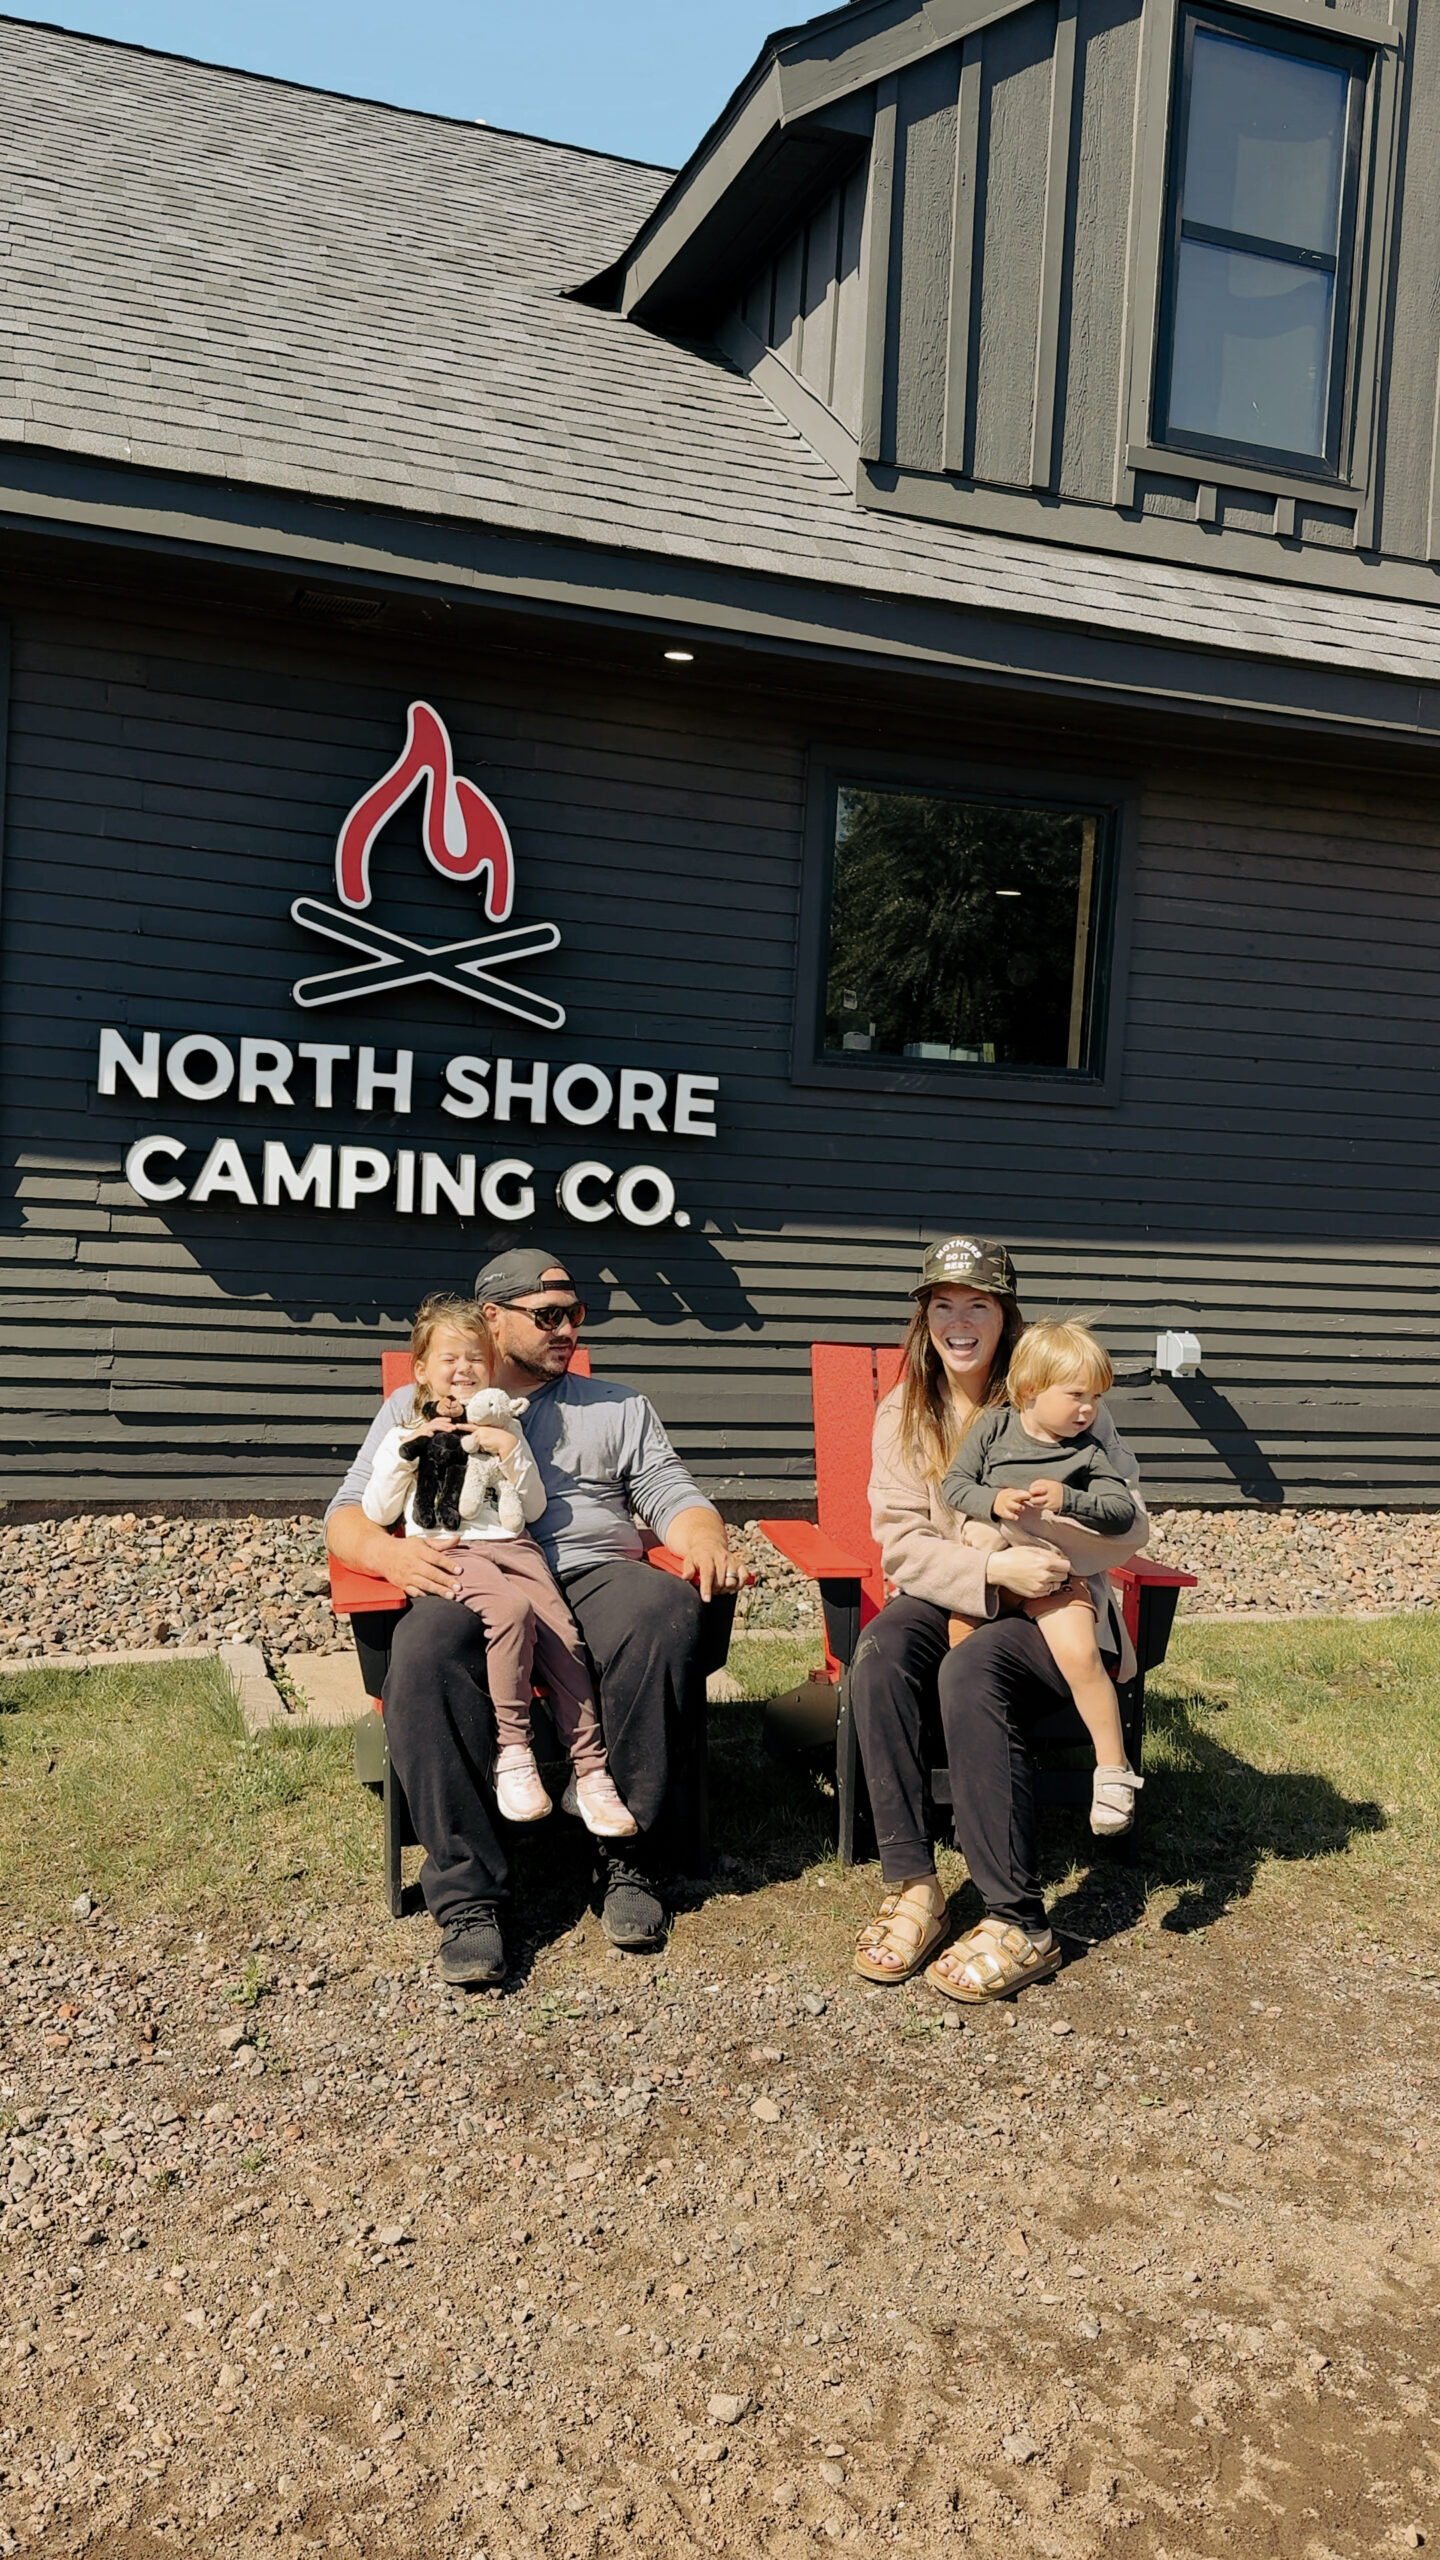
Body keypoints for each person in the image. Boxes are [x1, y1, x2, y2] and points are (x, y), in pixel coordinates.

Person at [326, 1250, 741, 1986]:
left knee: (662, 1608)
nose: (567, 1330)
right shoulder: (415, 1407)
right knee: (420, 1650)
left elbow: (670, 1492)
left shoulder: (616, 1406)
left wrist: (704, 1538)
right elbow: (348, 1516)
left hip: (591, 1569)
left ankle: (628, 1857)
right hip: (468, 1574)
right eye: (547, 1316)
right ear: (493, 1319)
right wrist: (389, 1562)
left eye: (575, 1315)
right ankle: (468, 1898)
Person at [849, 1235, 1148, 2001]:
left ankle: (1019, 1922)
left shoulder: (1062, 1394)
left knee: (973, 1667)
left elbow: (1132, 1523)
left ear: (1004, 1315)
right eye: (941, 1306)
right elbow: (902, 1544)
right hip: (957, 1584)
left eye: (976, 1305)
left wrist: (1044, 1546)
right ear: (923, 1320)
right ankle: (915, 1885)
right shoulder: (904, 1412)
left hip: (1055, 1602)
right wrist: (987, 1568)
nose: (957, 1322)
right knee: (880, 1653)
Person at [360, 1295, 636, 1840]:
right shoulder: (404, 1432)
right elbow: (376, 1511)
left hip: (517, 1548)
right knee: (510, 1612)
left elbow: (530, 1509)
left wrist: (509, 1452)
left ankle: (590, 1771)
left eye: (475, 1359)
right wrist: (404, 1454)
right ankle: (514, 1752)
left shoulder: (506, 1429)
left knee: (564, 1637)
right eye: (448, 1359)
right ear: (421, 1369)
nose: (463, 1369)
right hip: (453, 1551)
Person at [941, 1318, 1144, 1837]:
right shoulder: (991, 1429)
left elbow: (1123, 1512)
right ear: (1030, 1390)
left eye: (1096, 1398)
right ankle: (972, 1791)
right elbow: (955, 1486)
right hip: (991, 1580)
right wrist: (993, 1500)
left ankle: (1114, 1772)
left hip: (1055, 1575)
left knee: (1081, 1657)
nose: (1089, 1410)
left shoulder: (1088, 1451)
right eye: (1077, 1395)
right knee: (959, 1667)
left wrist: (1069, 1498)